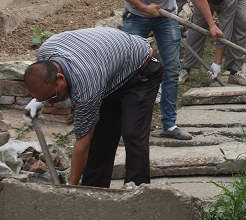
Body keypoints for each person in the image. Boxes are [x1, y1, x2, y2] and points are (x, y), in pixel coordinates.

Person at [112, 0, 223, 141]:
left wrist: (212, 24)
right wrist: (143, 7)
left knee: (171, 68)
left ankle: (169, 125)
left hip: (166, 14)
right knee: (128, 68)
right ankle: (124, 126)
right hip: (137, 13)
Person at [23, 28, 163, 187]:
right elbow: (42, 80)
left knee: (133, 134)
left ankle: (136, 193)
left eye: (52, 97)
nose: (52, 103)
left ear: (60, 77)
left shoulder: (86, 87)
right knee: (100, 138)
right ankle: (93, 191)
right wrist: (38, 99)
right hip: (108, 73)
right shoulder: (45, 52)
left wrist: (71, 187)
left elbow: (83, 143)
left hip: (141, 69)